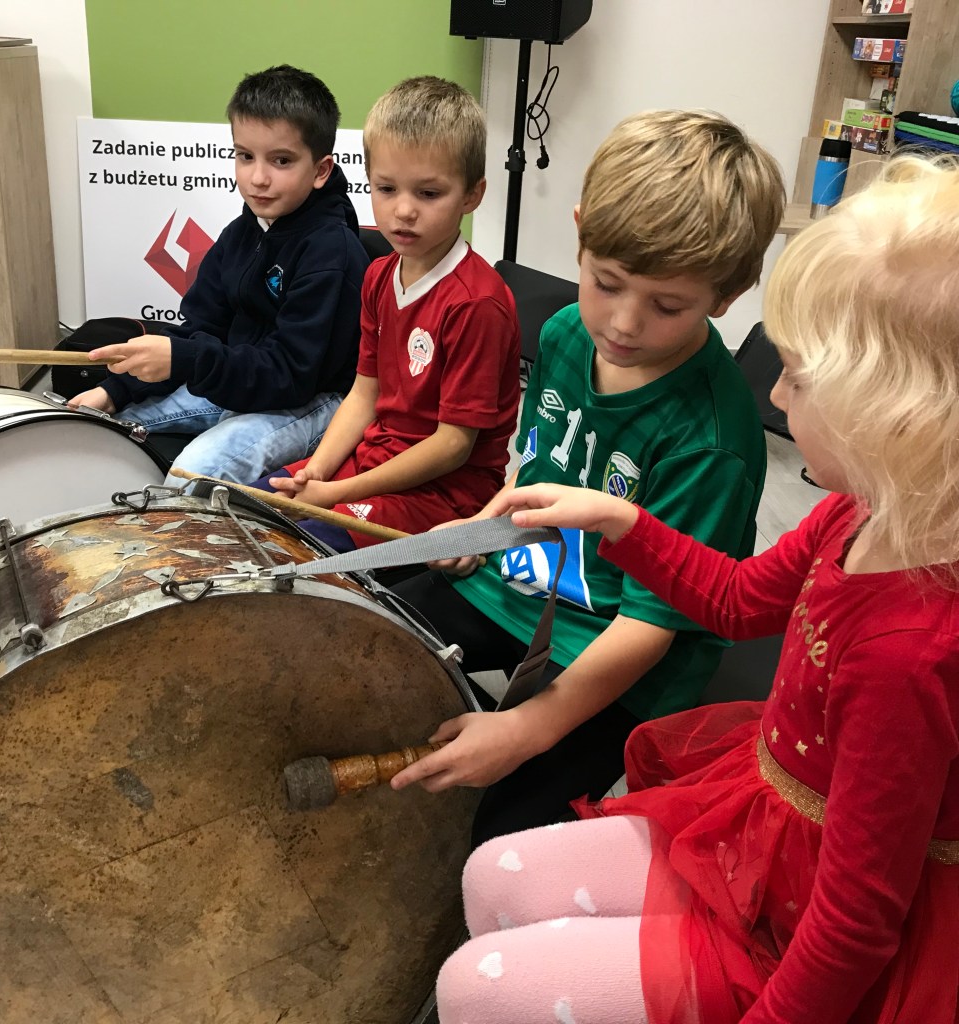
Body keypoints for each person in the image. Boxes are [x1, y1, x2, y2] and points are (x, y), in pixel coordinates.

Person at [401, 156, 959, 1024]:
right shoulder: (853, 515)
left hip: (800, 919)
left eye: (799, 376)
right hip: (768, 821)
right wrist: (620, 520)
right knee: (489, 875)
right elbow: (737, 601)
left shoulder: (907, 655)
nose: (776, 393)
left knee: (477, 985)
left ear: (899, 413)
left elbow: (853, 927)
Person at [392, 109, 785, 844]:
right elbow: (540, 467)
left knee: (495, 839)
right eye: (607, 283)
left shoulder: (712, 441)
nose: (624, 324)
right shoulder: (564, 332)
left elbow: (649, 625)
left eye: (668, 305)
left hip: (625, 648)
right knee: (364, 650)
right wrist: (483, 528)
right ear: (580, 237)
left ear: (728, 295)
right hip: (521, 581)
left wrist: (524, 731)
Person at [250, 77, 520, 551]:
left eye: (429, 193)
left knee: (297, 546)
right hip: (373, 461)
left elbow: (453, 446)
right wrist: (319, 472)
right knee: (248, 508)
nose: (403, 211)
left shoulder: (477, 304)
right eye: (387, 188)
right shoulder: (378, 275)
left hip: (445, 495)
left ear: (472, 195)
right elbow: (364, 394)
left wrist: (336, 495)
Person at [68, 65, 369, 484]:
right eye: (245, 156)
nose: (258, 178)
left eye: (281, 161)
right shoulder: (240, 234)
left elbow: (290, 375)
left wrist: (186, 359)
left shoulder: (331, 251)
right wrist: (114, 392)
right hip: (242, 381)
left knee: (191, 473)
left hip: (313, 400)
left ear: (321, 171)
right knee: (92, 429)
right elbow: (201, 330)